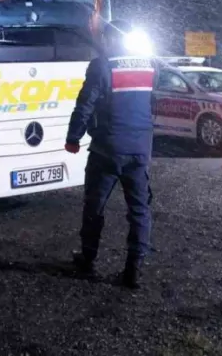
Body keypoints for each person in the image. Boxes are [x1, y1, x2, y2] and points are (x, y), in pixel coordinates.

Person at [64, 29, 155, 288]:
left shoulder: (102, 66)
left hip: (108, 148)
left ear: (110, 39)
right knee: (139, 210)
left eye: (104, 38)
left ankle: (88, 259)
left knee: (95, 206)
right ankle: (133, 269)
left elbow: (85, 105)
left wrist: (73, 137)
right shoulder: (149, 65)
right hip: (139, 149)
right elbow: (153, 104)